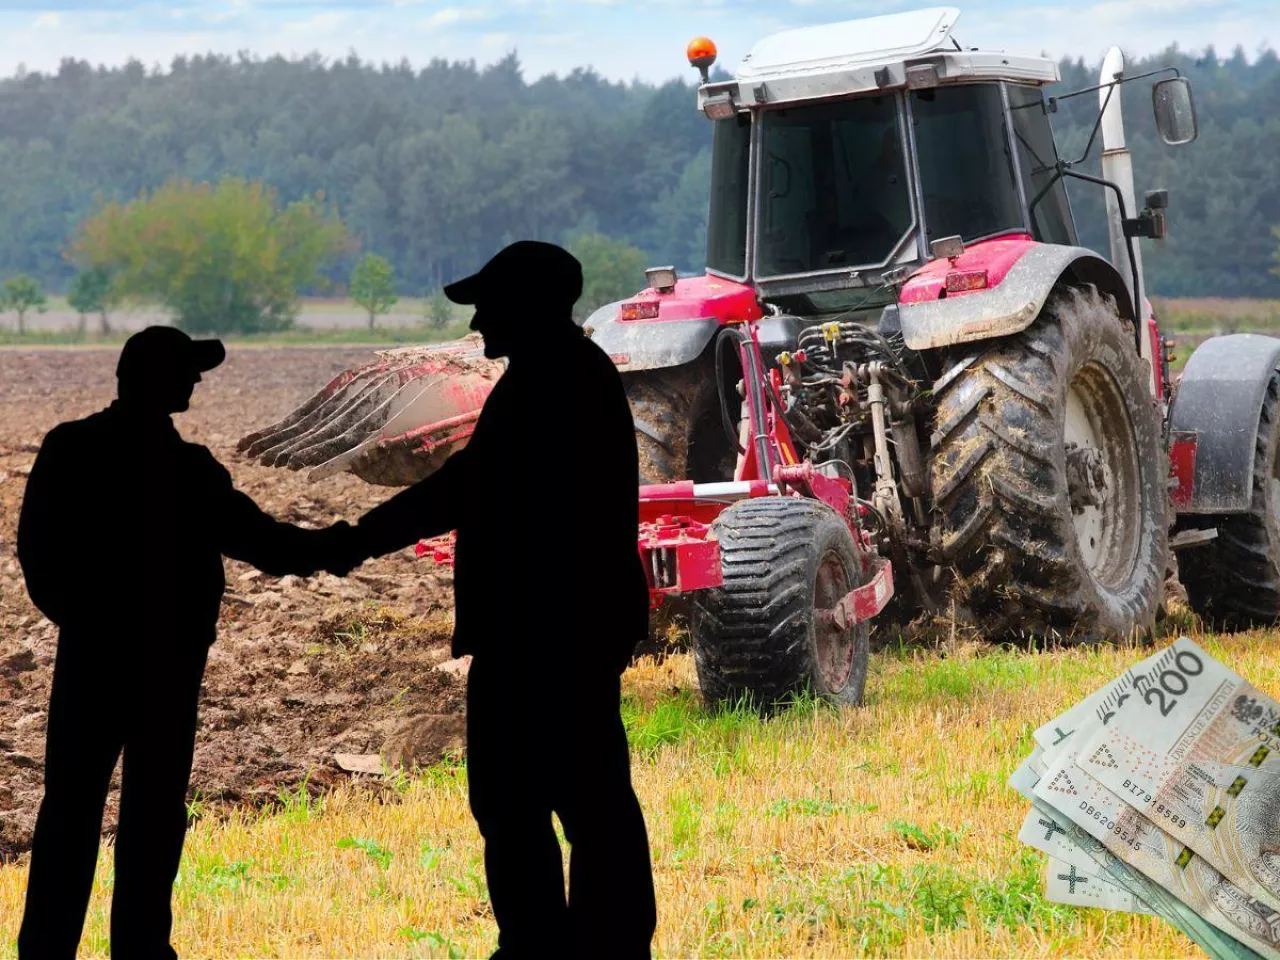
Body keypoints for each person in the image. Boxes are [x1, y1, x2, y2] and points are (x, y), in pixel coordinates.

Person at [337, 241, 657, 957]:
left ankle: (563, 946)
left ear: (528, 306)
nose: (478, 318)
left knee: (537, 800)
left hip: (546, 630)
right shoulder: (559, 373)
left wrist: (350, 539)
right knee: (569, 797)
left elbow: (466, 486)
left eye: (489, 303)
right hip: (557, 625)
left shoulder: (554, 382)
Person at [16, 326, 355, 959]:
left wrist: (87, 622)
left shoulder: (71, 448)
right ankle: (142, 952)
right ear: (157, 380)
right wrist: (345, 544)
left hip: (90, 662)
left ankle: (45, 951)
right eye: (186, 370)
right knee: (152, 817)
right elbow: (269, 546)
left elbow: (38, 557)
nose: (196, 381)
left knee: (68, 811)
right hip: (168, 669)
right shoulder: (187, 470)